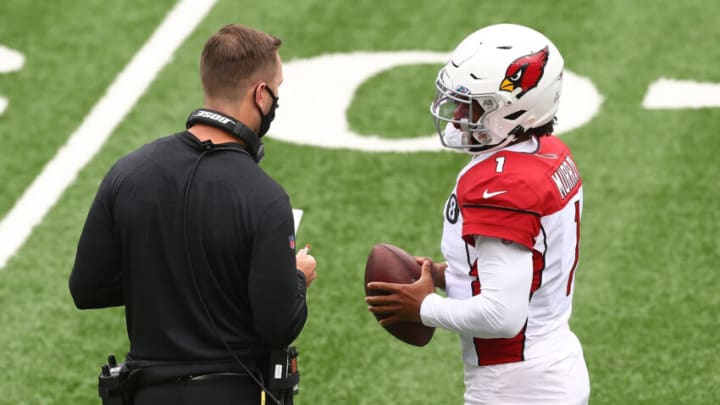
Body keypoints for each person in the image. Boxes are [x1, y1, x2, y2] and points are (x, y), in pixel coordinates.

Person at [69, 24, 316, 405]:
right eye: (277, 88)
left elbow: (86, 288)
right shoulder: (265, 198)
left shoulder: (127, 173)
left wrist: (163, 275)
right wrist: (296, 277)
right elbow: (277, 325)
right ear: (261, 95)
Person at [366, 23, 590, 404]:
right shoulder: (547, 151)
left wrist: (423, 308)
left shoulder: (504, 185)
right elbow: (530, 265)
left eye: (473, 105)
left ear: (516, 108)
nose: (456, 116)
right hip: (548, 365)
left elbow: (503, 316)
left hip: (517, 385)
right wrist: (446, 274)